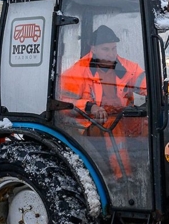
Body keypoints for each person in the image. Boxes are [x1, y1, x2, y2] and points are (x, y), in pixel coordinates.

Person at [59, 25, 148, 181]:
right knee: (114, 126)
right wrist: (90, 107)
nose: (111, 54)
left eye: (114, 48)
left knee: (149, 124)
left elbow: (146, 83)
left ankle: (147, 169)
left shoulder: (127, 68)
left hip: (122, 116)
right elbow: (63, 102)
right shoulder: (77, 72)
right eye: (106, 49)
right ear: (93, 48)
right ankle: (123, 178)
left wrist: (161, 90)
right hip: (90, 122)